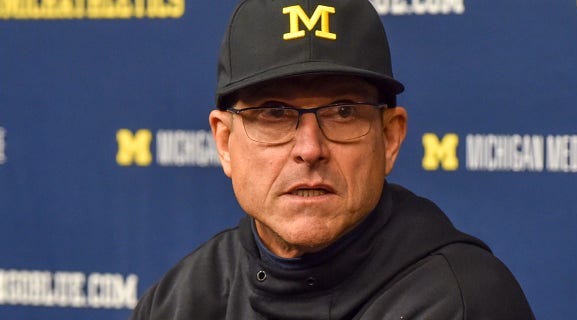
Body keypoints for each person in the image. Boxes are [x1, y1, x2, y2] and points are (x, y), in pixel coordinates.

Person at [130, 0, 535, 319]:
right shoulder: (179, 302)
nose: (310, 148)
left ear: (390, 138)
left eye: (342, 112)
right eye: (274, 113)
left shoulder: (460, 302)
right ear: (224, 141)